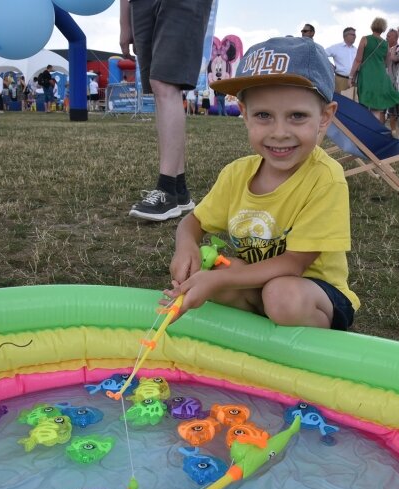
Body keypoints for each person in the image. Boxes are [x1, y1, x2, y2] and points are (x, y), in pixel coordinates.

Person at [164, 36, 359, 331]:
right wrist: (186, 245)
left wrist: (218, 279)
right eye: (264, 115)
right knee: (217, 272)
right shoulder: (236, 174)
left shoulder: (325, 178)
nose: (279, 132)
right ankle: (258, 348)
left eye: (297, 116)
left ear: (324, 117)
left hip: (313, 295)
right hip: (262, 288)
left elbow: (294, 264)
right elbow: (192, 222)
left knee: (281, 295)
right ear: (244, 114)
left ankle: (317, 351)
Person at [120, 0, 213, 221]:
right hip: (141, 5)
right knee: (161, 88)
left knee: (164, 82)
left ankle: (167, 189)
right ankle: (179, 191)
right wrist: (125, 23)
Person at [349, 17, 399, 123]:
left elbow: (358, 60)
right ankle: (373, 130)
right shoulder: (385, 44)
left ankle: (364, 127)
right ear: (383, 29)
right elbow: (386, 63)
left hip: (366, 76)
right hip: (380, 77)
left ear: (372, 26)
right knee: (376, 107)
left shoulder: (365, 39)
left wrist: (351, 76)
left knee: (364, 102)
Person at [324, 27, 357, 93]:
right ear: (346, 36)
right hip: (340, 80)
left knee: (353, 102)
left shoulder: (356, 50)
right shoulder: (336, 47)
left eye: (355, 35)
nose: (355, 36)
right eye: (353, 35)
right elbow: (322, 54)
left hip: (354, 81)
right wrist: (330, 65)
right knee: (340, 102)